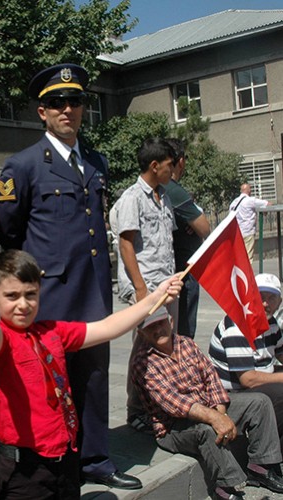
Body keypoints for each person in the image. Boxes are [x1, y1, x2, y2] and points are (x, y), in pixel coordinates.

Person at [0, 249, 183, 499]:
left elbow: (107, 327)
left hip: (65, 461)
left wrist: (155, 298)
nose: (23, 304)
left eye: (31, 295)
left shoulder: (52, 332)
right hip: (24, 471)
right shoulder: (1, 341)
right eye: (12, 296)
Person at [0, 63, 140, 489]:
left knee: (93, 377)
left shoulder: (96, 161)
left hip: (94, 289)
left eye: (75, 102)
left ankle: (95, 459)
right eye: (57, 103)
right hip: (52, 293)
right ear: (42, 112)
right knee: (50, 382)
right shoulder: (21, 165)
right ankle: (55, 460)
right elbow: (8, 229)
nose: (68, 110)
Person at [132, 307, 283, 500]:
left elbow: (211, 378)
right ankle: (224, 487)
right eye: (150, 326)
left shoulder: (186, 344)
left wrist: (221, 411)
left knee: (259, 402)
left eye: (160, 322)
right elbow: (176, 403)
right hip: (173, 427)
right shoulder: (142, 363)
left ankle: (260, 467)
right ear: (141, 333)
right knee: (207, 430)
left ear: (170, 322)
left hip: (208, 407)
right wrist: (216, 418)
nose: (157, 329)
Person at [110, 137, 177, 433]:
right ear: (154, 165)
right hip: (147, 285)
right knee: (147, 345)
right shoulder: (132, 198)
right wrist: (141, 290)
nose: (173, 170)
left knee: (163, 344)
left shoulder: (164, 196)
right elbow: (126, 245)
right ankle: (136, 409)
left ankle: (159, 402)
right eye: (169, 165)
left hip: (165, 282)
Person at [209, 273, 283, 449]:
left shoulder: (271, 323)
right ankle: (264, 456)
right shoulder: (237, 326)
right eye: (260, 297)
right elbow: (248, 379)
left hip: (258, 384)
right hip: (232, 395)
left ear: (279, 302)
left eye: (271, 298)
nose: (265, 303)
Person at [164, 138, 210, 338]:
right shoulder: (173, 189)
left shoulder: (159, 188)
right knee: (184, 331)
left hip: (170, 268)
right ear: (180, 161)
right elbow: (204, 228)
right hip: (184, 269)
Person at [229, 183, 269, 261]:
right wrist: (264, 211)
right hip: (248, 232)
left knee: (238, 258)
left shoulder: (233, 203)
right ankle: (246, 273)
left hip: (237, 234)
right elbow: (268, 204)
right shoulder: (250, 200)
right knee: (247, 258)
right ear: (249, 191)